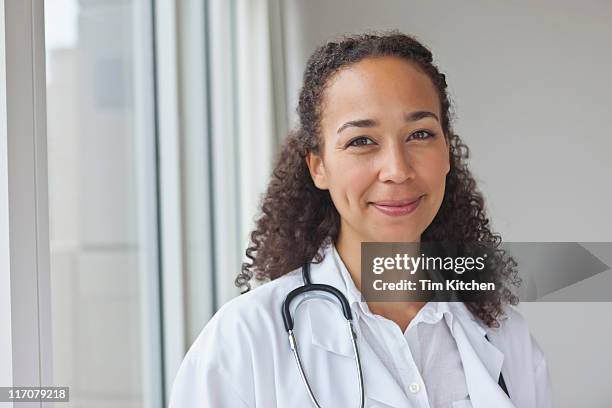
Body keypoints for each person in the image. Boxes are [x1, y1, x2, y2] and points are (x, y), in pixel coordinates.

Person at [169, 31, 553, 408]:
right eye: (361, 141)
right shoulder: (246, 340)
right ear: (318, 167)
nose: (397, 170)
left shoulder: (504, 336)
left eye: (420, 134)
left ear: (448, 152)